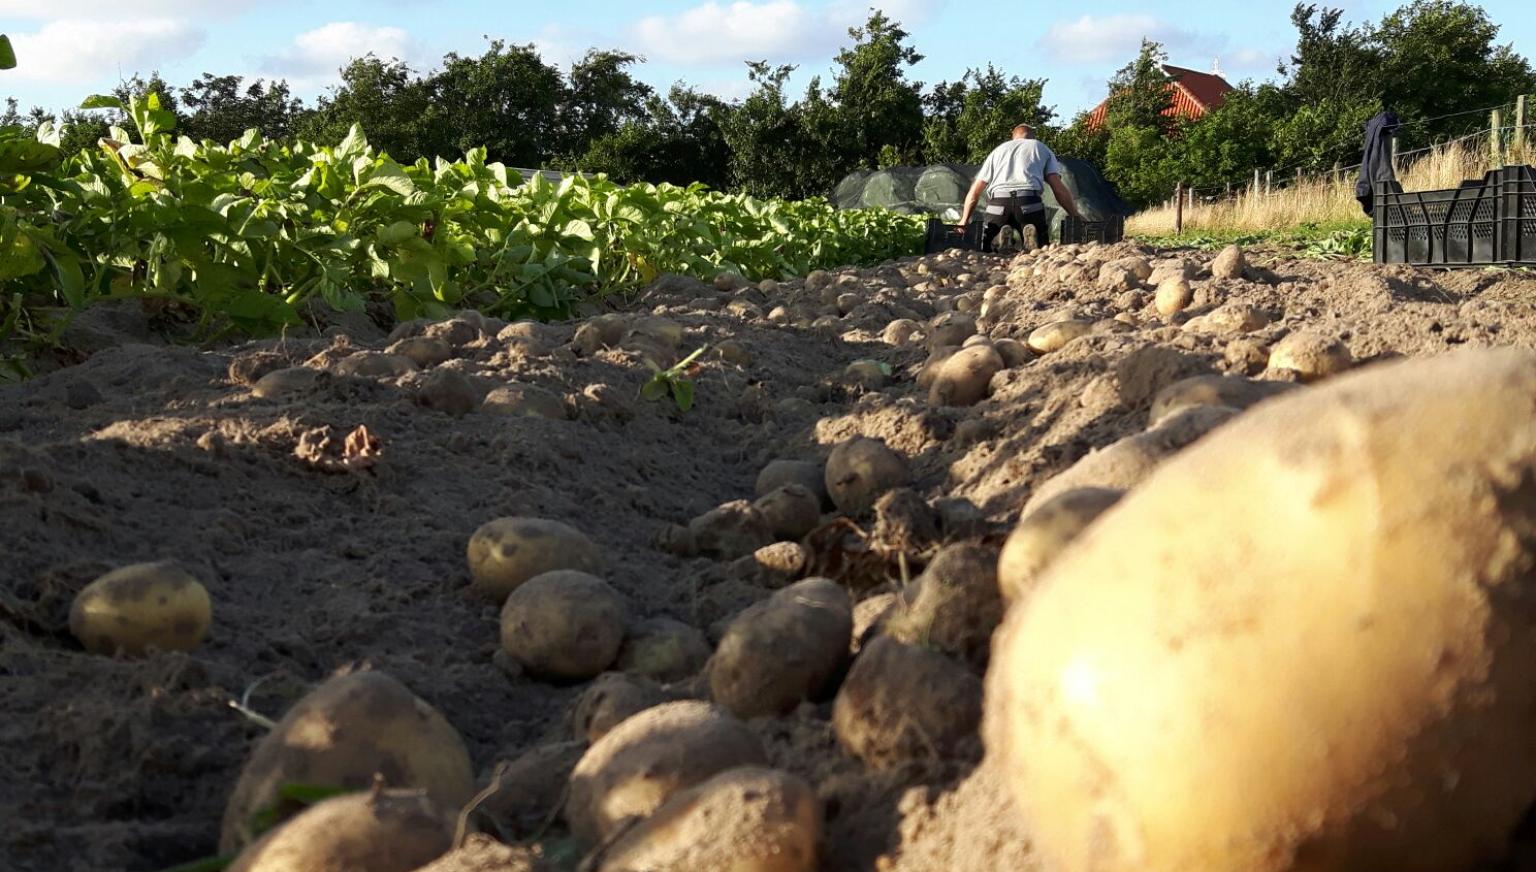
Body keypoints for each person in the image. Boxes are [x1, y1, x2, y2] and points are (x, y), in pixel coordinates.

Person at [957, 124, 1083, 253]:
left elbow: (975, 191)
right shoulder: (1040, 147)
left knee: (988, 248)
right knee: (1040, 249)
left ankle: (998, 239)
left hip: (998, 206)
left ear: (1013, 137)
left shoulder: (997, 151)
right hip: (1029, 204)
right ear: (1032, 136)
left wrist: (964, 219)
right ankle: (1033, 242)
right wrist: (1075, 216)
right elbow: (1058, 188)